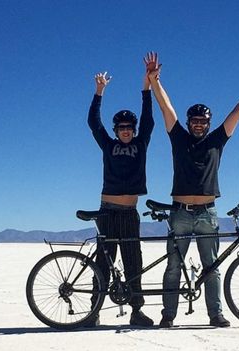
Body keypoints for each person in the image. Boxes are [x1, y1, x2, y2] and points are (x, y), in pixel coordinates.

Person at [145, 52, 239, 328]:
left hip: (207, 214)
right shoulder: (178, 138)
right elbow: (166, 109)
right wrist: (155, 82)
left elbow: (237, 113)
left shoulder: (218, 140)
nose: (199, 125)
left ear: (209, 123)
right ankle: (168, 315)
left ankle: (215, 314)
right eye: (195, 121)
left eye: (203, 121)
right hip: (179, 213)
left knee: (211, 267)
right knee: (173, 267)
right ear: (190, 123)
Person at [86, 54, 159, 327]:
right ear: (116, 130)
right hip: (108, 211)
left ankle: (137, 311)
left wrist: (147, 86)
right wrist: (99, 92)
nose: (126, 131)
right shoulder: (107, 144)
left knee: (133, 262)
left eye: (130, 127)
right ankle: (93, 312)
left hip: (129, 212)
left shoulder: (141, 145)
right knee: (103, 263)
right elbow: (94, 123)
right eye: (121, 128)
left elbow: (150, 120)